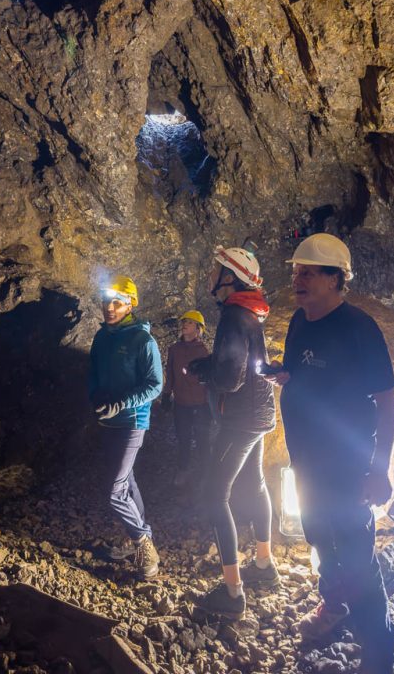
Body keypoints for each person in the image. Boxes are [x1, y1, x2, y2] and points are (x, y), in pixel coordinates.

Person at [268, 233, 394, 674]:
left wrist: (380, 470)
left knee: (357, 556)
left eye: (308, 273)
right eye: (296, 272)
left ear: (335, 279)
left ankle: (380, 654)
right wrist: (283, 375)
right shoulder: (299, 320)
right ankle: (335, 604)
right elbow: (300, 371)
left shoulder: (360, 329)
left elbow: (387, 403)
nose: (297, 279)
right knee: (319, 536)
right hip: (306, 461)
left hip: (346, 468)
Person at [189, 245, 278, 618]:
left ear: (230, 277)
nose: (211, 275)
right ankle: (264, 565)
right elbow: (242, 360)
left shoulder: (232, 316)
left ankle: (232, 593)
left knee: (215, 495)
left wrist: (205, 374)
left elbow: (229, 379)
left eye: (216, 270)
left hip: (240, 419)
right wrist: (210, 363)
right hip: (260, 414)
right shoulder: (249, 314)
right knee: (254, 484)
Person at [87, 275, 163, 579]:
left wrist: (121, 403)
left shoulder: (143, 341)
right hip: (109, 421)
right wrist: (96, 396)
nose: (110, 307)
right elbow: (93, 372)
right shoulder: (102, 337)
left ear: (130, 305)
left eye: (117, 302)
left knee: (114, 490)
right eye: (107, 301)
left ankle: (144, 545)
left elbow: (155, 384)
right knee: (127, 481)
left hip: (132, 422)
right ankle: (139, 540)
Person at [160, 310, 211, 488]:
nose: (184, 325)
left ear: (198, 328)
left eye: (189, 322)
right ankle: (184, 470)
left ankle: (206, 474)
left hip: (201, 404)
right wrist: (166, 394)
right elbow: (170, 373)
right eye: (184, 322)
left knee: (203, 439)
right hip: (181, 404)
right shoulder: (174, 349)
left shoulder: (203, 351)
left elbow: (208, 379)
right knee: (183, 439)